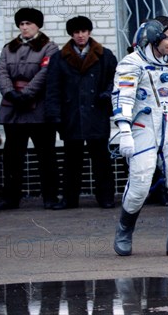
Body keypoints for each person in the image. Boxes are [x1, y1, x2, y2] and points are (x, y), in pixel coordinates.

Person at [111, 18, 168, 256]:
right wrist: (124, 131)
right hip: (142, 128)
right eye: (167, 37)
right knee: (140, 184)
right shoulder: (132, 63)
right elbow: (123, 97)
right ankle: (124, 230)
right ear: (153, 37)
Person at [0, 8, 60, 211]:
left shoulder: (49, 47)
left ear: (38, 25)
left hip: (39, 111)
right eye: (21, 24)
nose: (24, 27)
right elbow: (1, 71)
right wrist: (10, 93)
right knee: (12, 158)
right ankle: (10, 198)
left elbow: (45, 72)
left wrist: (26, 93)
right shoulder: (8, 48)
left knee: (46, 156)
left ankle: (50, 197)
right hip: (14, 110)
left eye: (28, 23)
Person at [45, 16, 118, 210]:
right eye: (76, 32)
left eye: (84, 31)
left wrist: (106, 95)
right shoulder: (60, 58)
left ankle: (105, 197)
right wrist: (55, 116)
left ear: (89, 32)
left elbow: (116, 80)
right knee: (71, 160)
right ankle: (69, 199)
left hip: (96, 113)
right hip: (72, 115)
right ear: (71, 34)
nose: (80, 36)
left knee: (101, 158)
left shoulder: (105, 55)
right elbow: (52, 89)